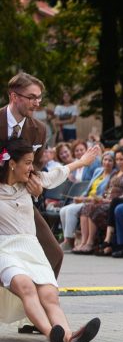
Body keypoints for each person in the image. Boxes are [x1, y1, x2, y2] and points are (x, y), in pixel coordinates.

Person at [0, 138, 101, 342]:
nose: (31, 167)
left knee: (49, 295)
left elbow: (58, 174)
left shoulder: (32, 182)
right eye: (27, 163)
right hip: (5, 248)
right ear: (11, 163)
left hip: (31, 246)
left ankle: (68, 337)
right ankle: (51, 334)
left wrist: (83, 162)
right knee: (25, 286)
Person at [0, 73, 64, 326]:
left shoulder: (38, 129)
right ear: (14, 96)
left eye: (39, 98)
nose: (37, 103)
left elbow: (34, 166)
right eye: (32, 97)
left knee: (54, 252)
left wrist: (36, 187)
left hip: (19, 200)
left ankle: (36, 317)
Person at [74, 146, 123, 254]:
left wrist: (106, 201)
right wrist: (99, 198)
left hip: (116, 203)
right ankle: (84, 242)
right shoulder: (115, 173)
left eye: (121, 159)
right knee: (86, 207)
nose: (118, 162)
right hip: (105, 201)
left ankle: (90, 242)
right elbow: (106, 191)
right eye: (117, 159)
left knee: (93, 208)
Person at [59, 151, 115, 252]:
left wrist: (85, 199)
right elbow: (88, 188)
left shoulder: (113, 174)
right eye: (105, 160)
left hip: (95, 201)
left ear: (113, 163)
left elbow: (103, 195)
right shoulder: (98, 171)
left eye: (110, 160)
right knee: (63, 210)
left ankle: (72, 241)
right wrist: (81, 197)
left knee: (70, 210)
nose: (107, 162)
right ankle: (68, 240)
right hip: (86, 198)